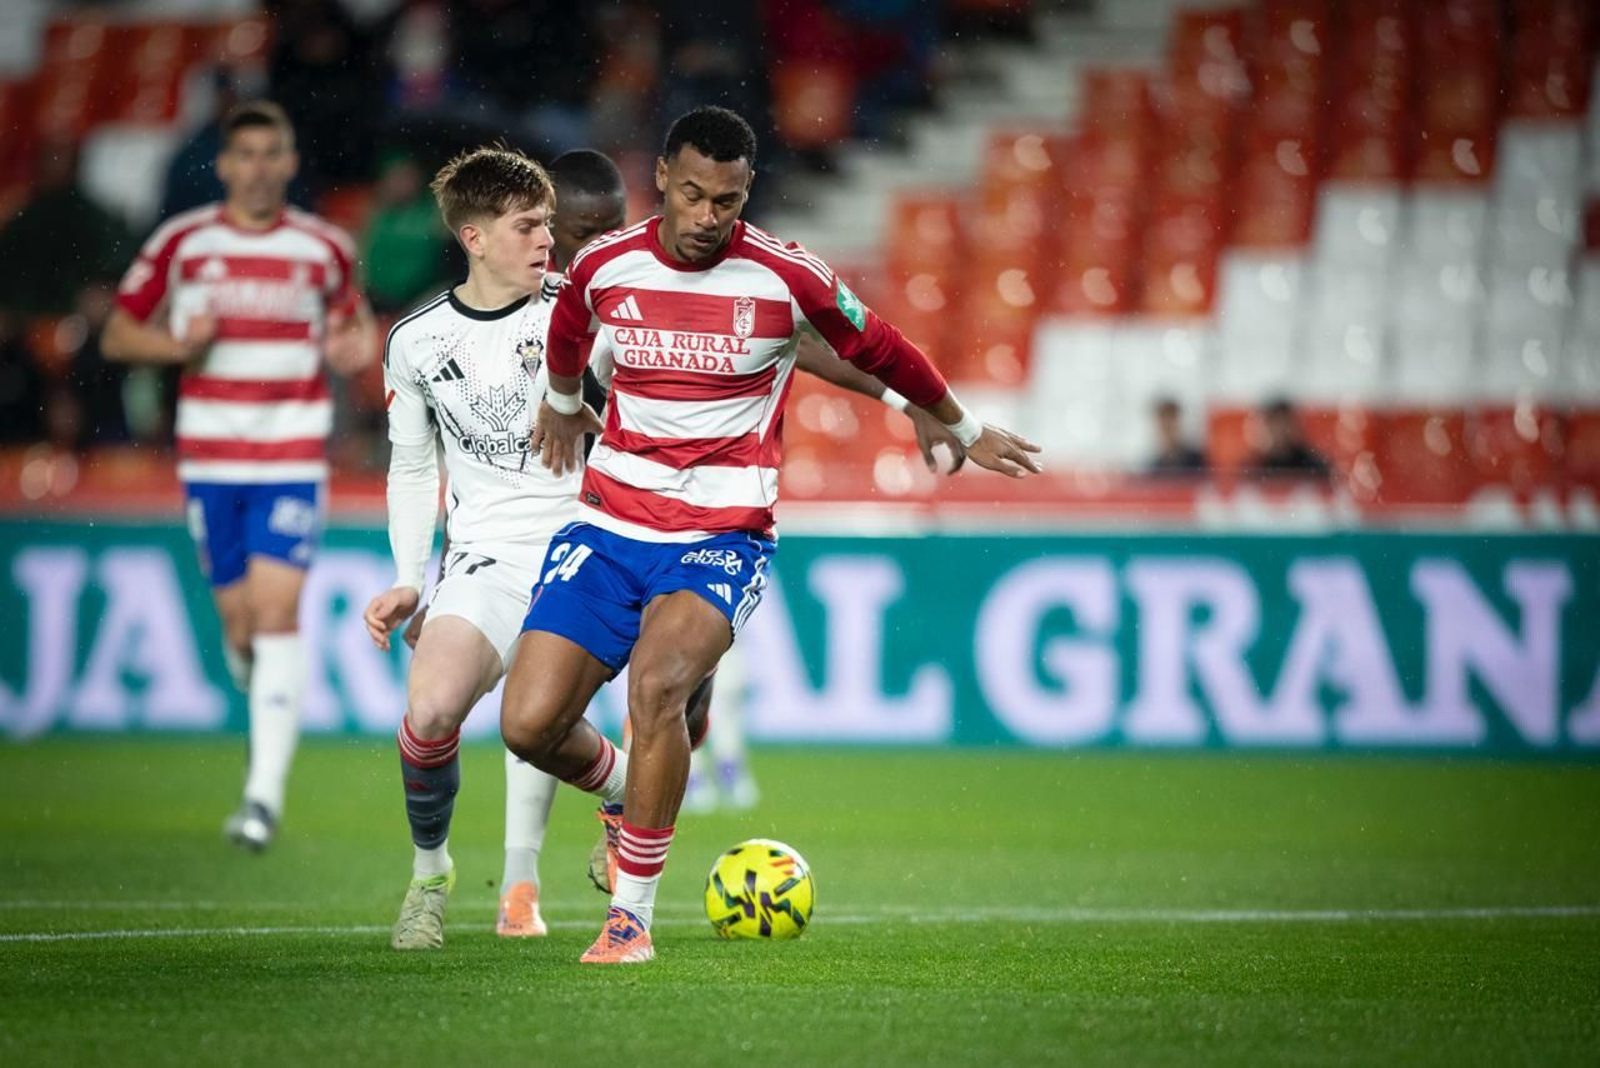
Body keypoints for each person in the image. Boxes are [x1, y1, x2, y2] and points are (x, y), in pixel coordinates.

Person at [372, 146, 963, 948]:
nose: (555, 240)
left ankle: (550, 888)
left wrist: (908, 399)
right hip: (492, 555)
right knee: (453, 712)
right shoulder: (419, 338)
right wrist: (411, 575)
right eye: (534, 226)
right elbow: (412, 465)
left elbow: (796, 341)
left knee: (666, 696)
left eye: (554, 225)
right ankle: (456, 874)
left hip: (605, 529)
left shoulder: (597, 296)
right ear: (475, 237)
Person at [500, 105, 1041, 964]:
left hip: (721, 533)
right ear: (662, 180)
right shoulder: (605, 265)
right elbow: (568, 334)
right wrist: (563, 404)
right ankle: (626, 790)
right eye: (692, 195)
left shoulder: (786, 275)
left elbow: (876, 346)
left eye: (726, 200)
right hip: (608, 525)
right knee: (527, 726)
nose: (706, 216)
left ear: (747, 190)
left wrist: (958, 424)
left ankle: (631, 919)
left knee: (657, 689)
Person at [102, 101, 376, 851]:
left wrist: (351, 348)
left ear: (290, 164)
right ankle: (266, 712)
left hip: (292, 453)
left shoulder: (324, 248)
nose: (258, 168)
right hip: (211, 458)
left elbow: (354, 328)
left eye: (270, 154)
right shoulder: (183, 243)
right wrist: (176, 346)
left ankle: (262, 798)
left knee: (277, 612)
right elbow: (117, 333)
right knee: (242, 629)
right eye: (245, 155)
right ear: (224, 165)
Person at [1248, 396, 1330, 480]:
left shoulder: (1314, 466)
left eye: (1283, 424)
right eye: (1274, 425)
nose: (1279, 431)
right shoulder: (1255, 467)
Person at [1146, 396, 1207, 477]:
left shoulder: (1199, 461)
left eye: (1171, 425)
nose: (1168, 432)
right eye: (1164, 426)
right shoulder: (1153, 469)